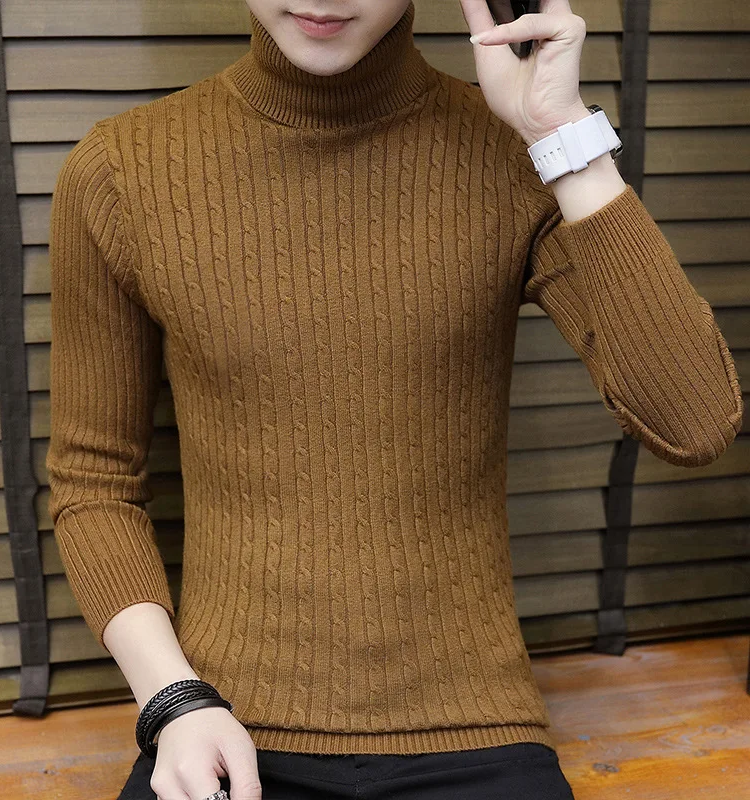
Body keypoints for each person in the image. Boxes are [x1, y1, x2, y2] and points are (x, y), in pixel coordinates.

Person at [45, 0, 743, 798]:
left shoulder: (515, 152)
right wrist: (173, 700)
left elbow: (694, 421)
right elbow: (95, 482)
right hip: (219, 727)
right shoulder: (121, 172)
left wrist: (562, 136)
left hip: (476, 731)